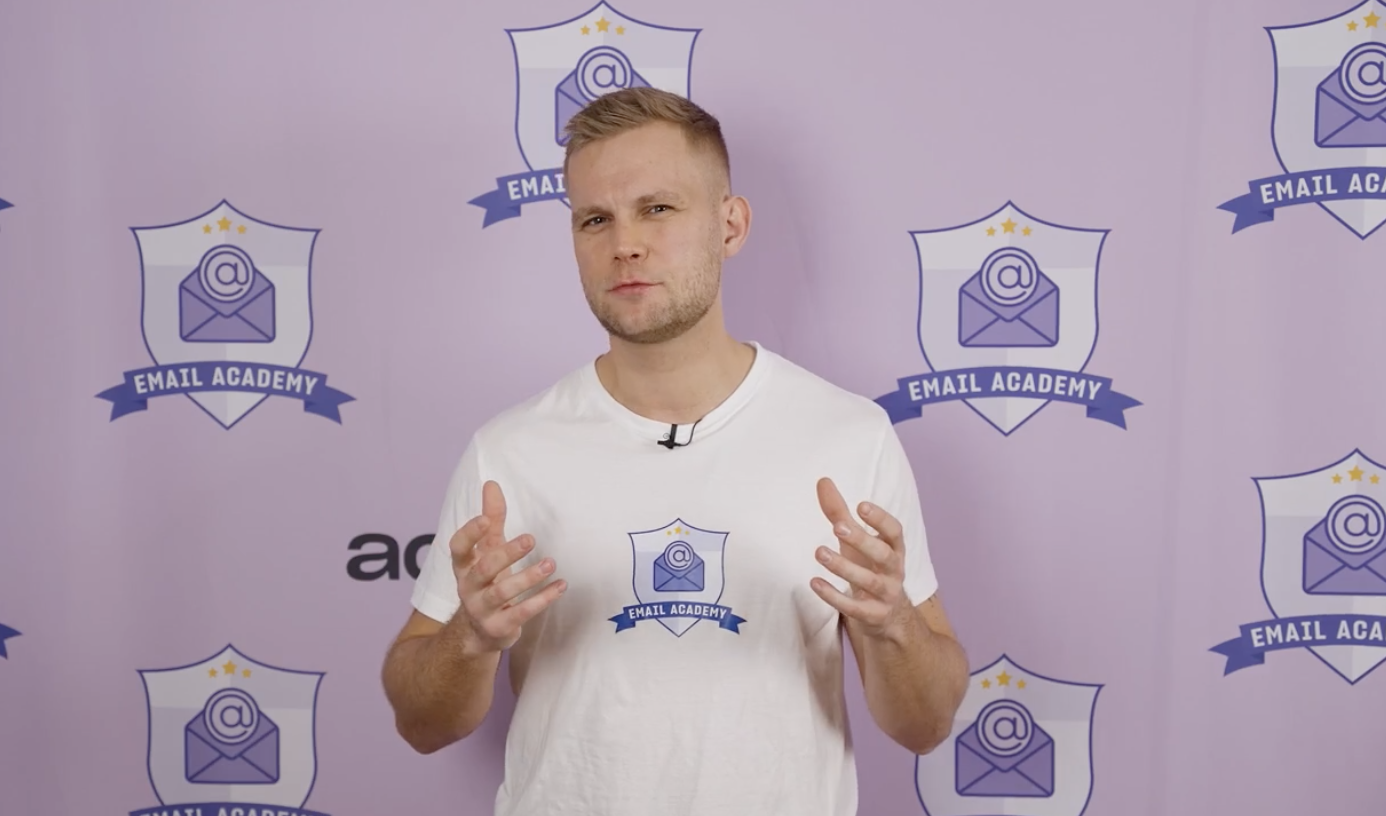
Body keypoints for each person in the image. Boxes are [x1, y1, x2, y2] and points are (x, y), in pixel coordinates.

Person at [380, 86, 968, 816]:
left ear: (731, 224)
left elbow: (926, 725)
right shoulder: (509, 451)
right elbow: (421, 724)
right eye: (596, 219)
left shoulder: (848, 435)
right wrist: (470, 638)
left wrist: (892, 626)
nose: (624, 243)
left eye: (657, 208)